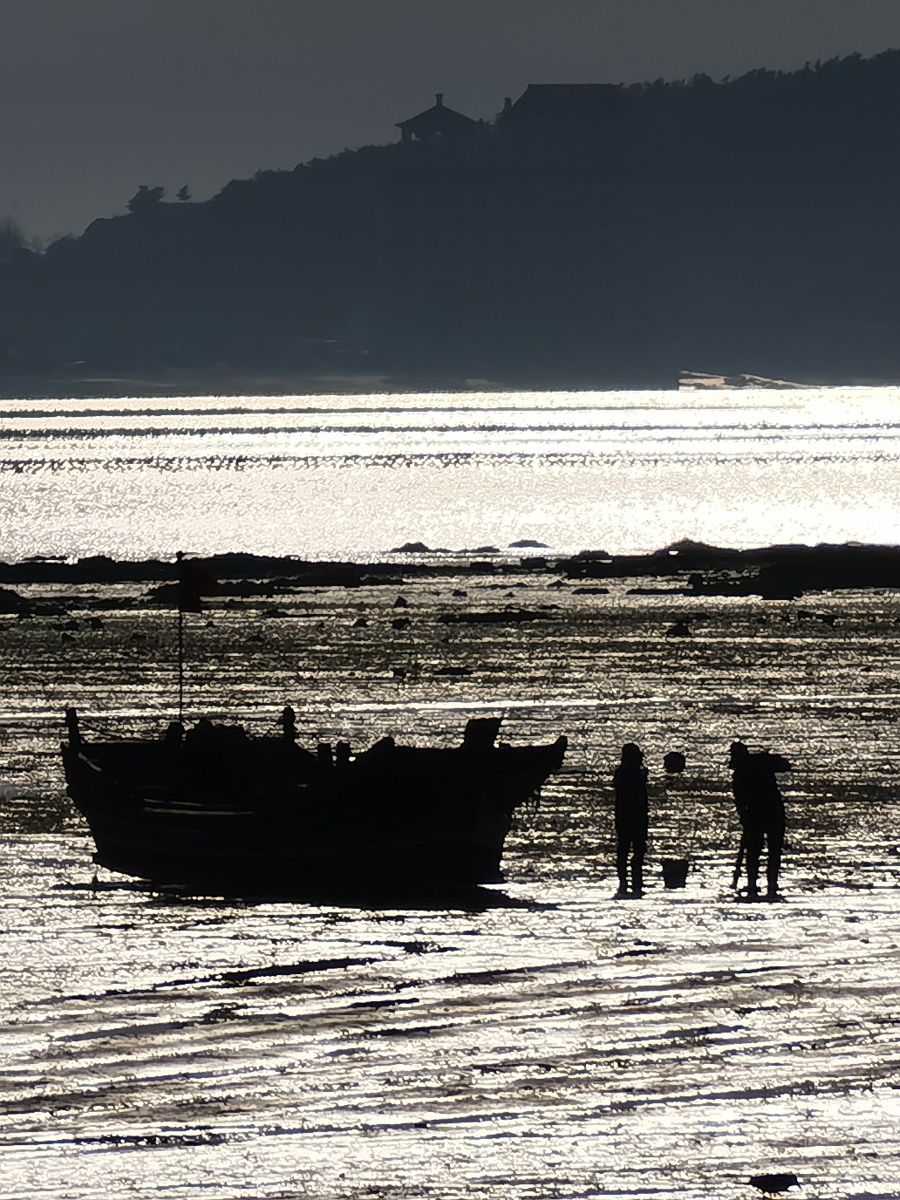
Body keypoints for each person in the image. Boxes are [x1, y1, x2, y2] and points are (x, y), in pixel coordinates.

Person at [729, 741, 791, 900]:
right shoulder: (760, 764)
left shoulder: (742, 774)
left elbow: (740, 802)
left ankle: (757, 884)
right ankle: (768, 884)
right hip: (770, 813)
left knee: (755, 851)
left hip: (760, 815)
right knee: (770, 851)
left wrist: (745, 819)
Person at [613, 743, 649, 897]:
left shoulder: (621, 773)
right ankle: (633, 882)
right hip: (634, 816)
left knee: (626, 850)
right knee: (634, 850)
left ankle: (627, 882)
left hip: (625, 816)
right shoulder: (631, 775)